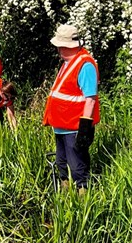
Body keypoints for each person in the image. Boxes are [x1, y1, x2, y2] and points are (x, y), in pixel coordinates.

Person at [42, 24, 99, 192]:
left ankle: (83, 198)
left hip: (74, 126)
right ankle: (65, 195)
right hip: (61, 125)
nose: (58, 49)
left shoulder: (85, 65)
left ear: (70, 46)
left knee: (77, 168)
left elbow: (90, 99)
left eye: (61, 46)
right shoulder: (68, 62)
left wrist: (85, 128)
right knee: (62, 164)